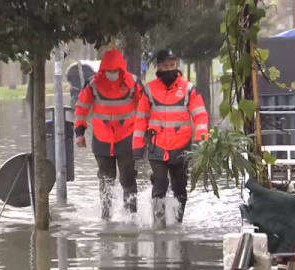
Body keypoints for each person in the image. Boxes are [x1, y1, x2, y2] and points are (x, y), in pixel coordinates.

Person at [132, 49, 209, 228]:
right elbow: (140, 119)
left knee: (180, 186)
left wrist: (201, 139)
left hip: (181, 147)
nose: (169, 69)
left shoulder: (188, 89)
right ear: (159, 66)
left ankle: (177, 223)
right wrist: (137, 147)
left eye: (172, 65)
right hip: (156, 146)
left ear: (177, 65)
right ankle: (159, 226)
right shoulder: (149, 90)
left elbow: (200, 115)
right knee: (160, 182)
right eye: (165, 66)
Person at [74, 49, 143, 220]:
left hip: (127, 138)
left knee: (127, 178)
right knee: (106, 180)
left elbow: (145, 108)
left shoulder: (132, 82)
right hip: (102, 139)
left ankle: (131, 216)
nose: (112, 74)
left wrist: (145, 134)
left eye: (115, 71)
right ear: (103, 69)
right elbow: (81, 108)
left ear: (121, 68)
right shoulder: (93, 84)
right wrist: (79, 132)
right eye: (109, 71)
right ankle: (106, 217)